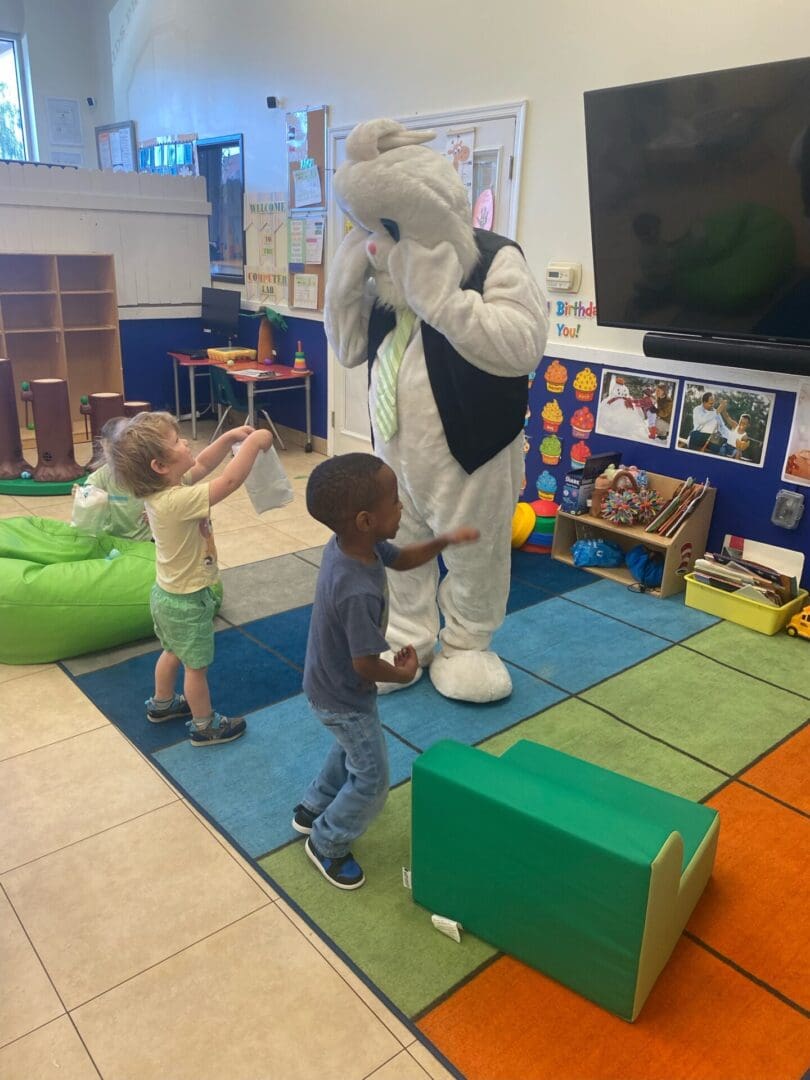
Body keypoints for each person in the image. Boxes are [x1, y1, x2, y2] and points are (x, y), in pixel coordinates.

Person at [294, 453, 479, 890]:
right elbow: (363, 664)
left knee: (350, 749)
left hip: (328, 684)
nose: (401, 508)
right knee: (374, 777)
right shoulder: (355, 589)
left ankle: (311, 809)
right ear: (364, 519)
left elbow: (401, 559)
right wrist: (404, 674)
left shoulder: (356, 545)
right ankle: (327, 841)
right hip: (343, 693)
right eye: (394, 502)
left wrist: (444, 541)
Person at [108, 411, 272, 745]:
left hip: (166, 595)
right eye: (177, 441)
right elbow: (227, 482)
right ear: (160, 466)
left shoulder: (165, 491)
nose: (185, 443)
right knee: (196, 667)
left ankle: (162, 704)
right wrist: (253, 444)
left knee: (172, 650)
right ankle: (204, 725)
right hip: (187, 600)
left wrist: (228, 438)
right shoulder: (178, 500)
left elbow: (203, 464)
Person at [83, 416, 151, 541]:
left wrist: (154, 509)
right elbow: (89, 488)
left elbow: (161, 491)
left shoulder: (143, 471)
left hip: (143, 538)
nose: (121, 456)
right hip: (113, 537)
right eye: (114, 449)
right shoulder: (104, 473)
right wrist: (82, 494)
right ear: (104, 446)